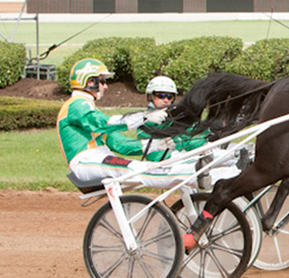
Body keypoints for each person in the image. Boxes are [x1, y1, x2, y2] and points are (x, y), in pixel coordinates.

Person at [57, 58, 200, 190]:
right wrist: (144, 117)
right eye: (102, 81)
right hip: (85, 162)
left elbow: (120, 144)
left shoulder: (87, 108)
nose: (105, 87)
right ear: (89, 82)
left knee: (143, 168)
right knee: (137, 169)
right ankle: (193, 177)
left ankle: (192, 175)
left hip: (98, 159)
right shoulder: (76, 105)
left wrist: (156, 145)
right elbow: (103, 122)